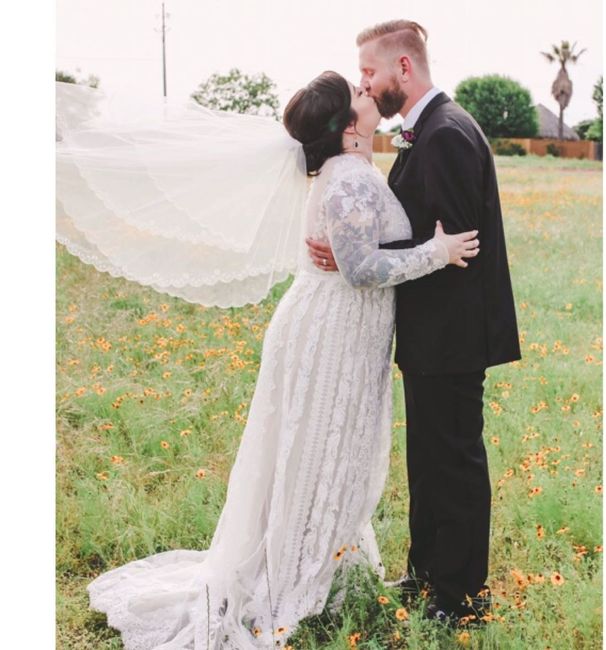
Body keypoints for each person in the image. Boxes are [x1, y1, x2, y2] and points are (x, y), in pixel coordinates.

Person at [57, 71, 480, 649]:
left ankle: (318, 561)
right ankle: (295, 576)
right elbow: (361, 270)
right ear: (347, 125)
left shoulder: (348, 171)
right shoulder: (349, 178)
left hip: (338, 325)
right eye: (358, 93)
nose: (368, 92)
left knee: (323, 452)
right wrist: (438, 251)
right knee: (320, 451)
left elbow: (357, 253)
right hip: (333, 332)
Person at [307, 21, 521, 627]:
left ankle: (460, 598)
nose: (364, 83)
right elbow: (423, 231)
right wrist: (356, 248)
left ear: (403, 67)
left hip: (453, 335)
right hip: (432, 334)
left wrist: (363, 256)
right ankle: (427, 573)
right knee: (428, 462)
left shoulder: (447, 133)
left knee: (452, 462)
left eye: (369, 71)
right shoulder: (424, 130)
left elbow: (457, 242)